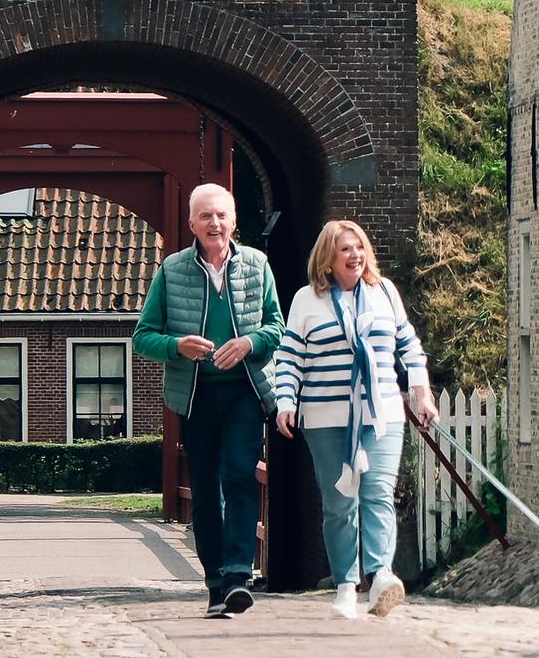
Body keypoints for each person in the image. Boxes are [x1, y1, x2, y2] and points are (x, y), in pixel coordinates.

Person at [273, 219, 438, 620]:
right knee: (339, 503)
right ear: (328, 259)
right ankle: (346, 585)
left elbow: (408, 344)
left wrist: (422, 392)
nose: (355, 256)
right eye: (346, 249)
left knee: (378, 492)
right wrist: (285, 400)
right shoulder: (306, 300)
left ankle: (380, 574)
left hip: (380, 414)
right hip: (326, 416)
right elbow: (290, 356)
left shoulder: (384, 293)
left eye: (360, 247)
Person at [133, 183, 283, 618]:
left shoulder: (258, 265)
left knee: (239, 474)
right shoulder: (172, 270)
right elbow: (143, 336)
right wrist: (177, 345)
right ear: (192, 225)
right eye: (205, 217)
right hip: (195, 395)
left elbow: (278, 326)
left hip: (244, 391)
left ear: (234, 221)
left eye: (221, 215)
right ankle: (215, 581)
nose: (214, 224)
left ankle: (237, 575)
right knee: (205, 489)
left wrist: (251, 342)